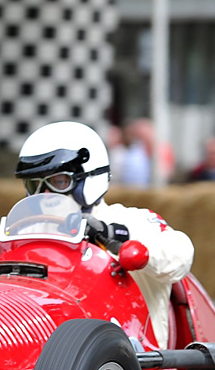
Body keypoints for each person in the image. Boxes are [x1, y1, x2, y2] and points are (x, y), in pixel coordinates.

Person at [14, 121, 195, 347]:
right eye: (35, 185)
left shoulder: (132, 221)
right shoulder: (31, 232)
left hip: (133, 357)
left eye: (58, 181)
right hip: (50, 351)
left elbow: (181, 253)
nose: (46, 194)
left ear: (89, 178)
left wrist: (120, 240)